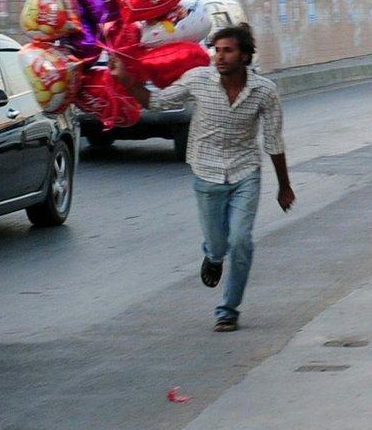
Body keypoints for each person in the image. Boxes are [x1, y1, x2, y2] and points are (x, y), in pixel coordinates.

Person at [117, 25, 295, 333]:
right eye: (217, 50)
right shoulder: (198, 79)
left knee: (240, 241)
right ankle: (213, 257)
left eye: (228, 50)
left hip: (245, 173)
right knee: (217, 244)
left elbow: (273, 142)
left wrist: (284, 186)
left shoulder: (264, 91)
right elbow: (157, 102)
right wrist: (127, 80)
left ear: (245, 55)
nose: (220, 57)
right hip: (207, 172)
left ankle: (228, 310)